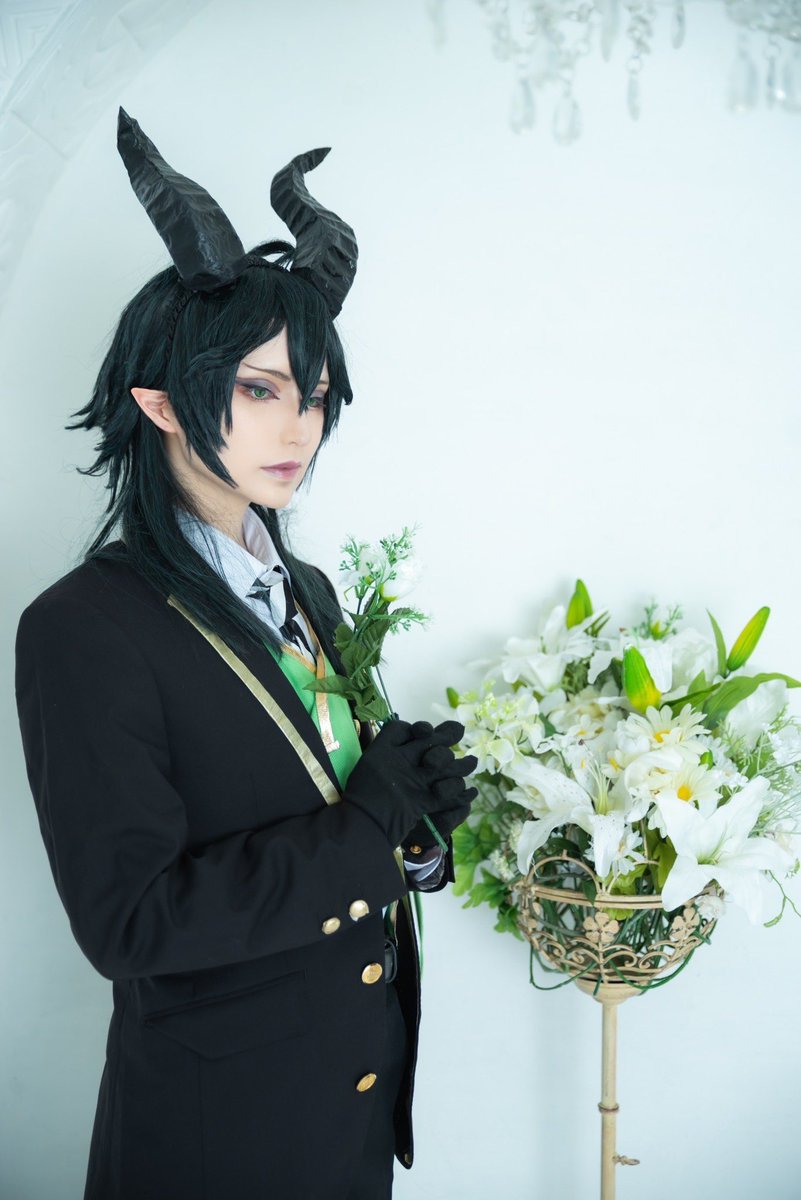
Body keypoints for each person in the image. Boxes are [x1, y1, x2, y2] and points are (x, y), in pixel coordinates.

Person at [13, 109, 477, 1200]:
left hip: (353, 1110)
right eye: (260, 389)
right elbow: (131, 923)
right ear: (160, 402)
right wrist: (366, 828)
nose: (298, 429)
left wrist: (412, 833)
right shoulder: (83, 627)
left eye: (313, 397)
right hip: (218, 1134)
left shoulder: (308, 588)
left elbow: (324, 799)